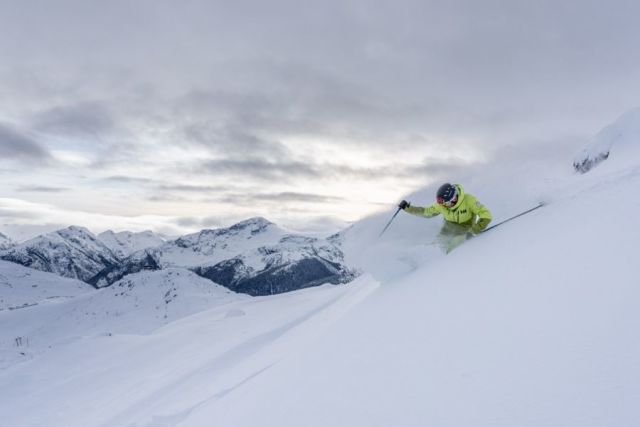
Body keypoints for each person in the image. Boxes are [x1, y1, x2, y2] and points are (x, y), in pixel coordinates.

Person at [398, 183, 492, 252]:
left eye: (446, 203)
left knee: (453, 245)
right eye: (442, 204)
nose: (444, 206)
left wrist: (474, 230)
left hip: (465, 231)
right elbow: (426, 212)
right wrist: (408, 208)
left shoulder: (468, 200)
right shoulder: (441, 205)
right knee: (436, 247)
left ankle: (447, 264)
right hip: (447, 229)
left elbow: (486, 215)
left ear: (453, 198)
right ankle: (419, 260)